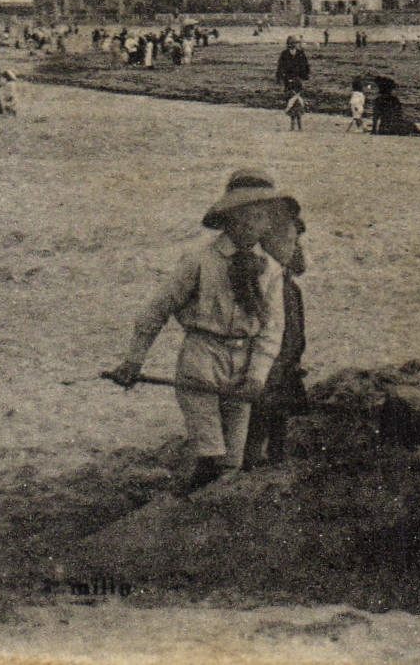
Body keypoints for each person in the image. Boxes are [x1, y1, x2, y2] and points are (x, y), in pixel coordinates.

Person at [104, 171, 295, 491]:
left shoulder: (271, 270)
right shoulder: (200, 261)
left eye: (267, 218)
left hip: (244, 364)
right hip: (201, 360)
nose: (265, 225)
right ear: (237, 219)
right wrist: (133, 361)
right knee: (209, 453)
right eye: (259, 217)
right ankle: (183, 508)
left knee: (231, 462)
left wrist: (257, 375)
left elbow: (272, 328)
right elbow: (156, 311)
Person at [243, 211, 308, 469]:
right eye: (293, 243)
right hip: (264, 372)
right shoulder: (263, 282)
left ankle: (274, 463)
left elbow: (294, 334)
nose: (298, 250)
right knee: (255, 429)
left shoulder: (291, 288)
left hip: (284, 370)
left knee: (279, 426)